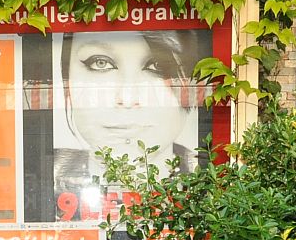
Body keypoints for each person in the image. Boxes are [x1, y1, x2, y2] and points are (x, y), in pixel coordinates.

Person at [54, 30, 206, 206]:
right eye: (100, 63)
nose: (127, 98)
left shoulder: (213, 181)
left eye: (157, 65)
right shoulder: (44, 174)